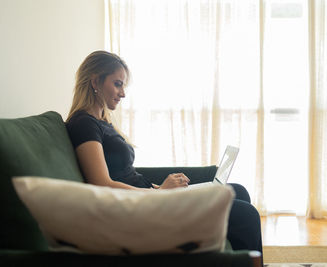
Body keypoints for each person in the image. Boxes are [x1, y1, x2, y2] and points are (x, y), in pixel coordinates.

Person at [65, 50, 263, 263]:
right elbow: (102, 184)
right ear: (95, 81)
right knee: (246, 215)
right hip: (142, 210)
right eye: (117, 84)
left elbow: (124, 174)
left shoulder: (102, 121)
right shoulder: (84, 124)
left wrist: (160, 188)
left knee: (238, 191)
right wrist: (158, 195)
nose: (122, 93)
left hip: (149, 198)